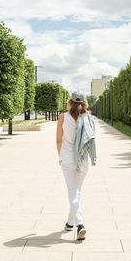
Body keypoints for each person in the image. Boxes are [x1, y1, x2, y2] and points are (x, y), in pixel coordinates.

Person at [56, 91, 96, 241]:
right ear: (85, 103)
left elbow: (59, 141)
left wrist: (61, 157)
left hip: (67, 159)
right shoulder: (89, 118)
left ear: (70, 102)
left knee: (73, 192)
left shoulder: (62, 117)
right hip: (83, 159)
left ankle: (80, 224)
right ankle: (70, 223)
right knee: (76, 192)